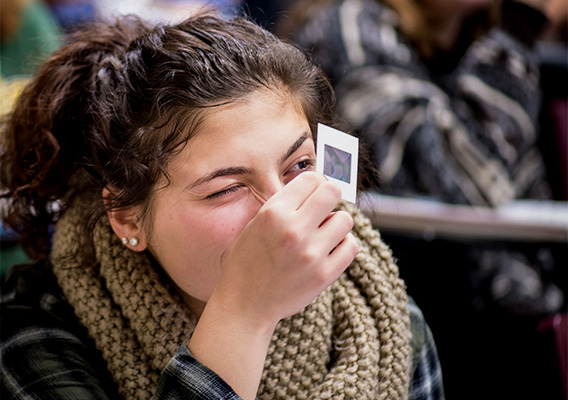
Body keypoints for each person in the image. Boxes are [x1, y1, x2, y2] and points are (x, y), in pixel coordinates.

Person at [0, 11, 444, 400]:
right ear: (127, 216)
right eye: (226, 189)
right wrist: (245, 313)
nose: (283, 211)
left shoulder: (383, 316)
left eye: (300, 164)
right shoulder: (30, 332)